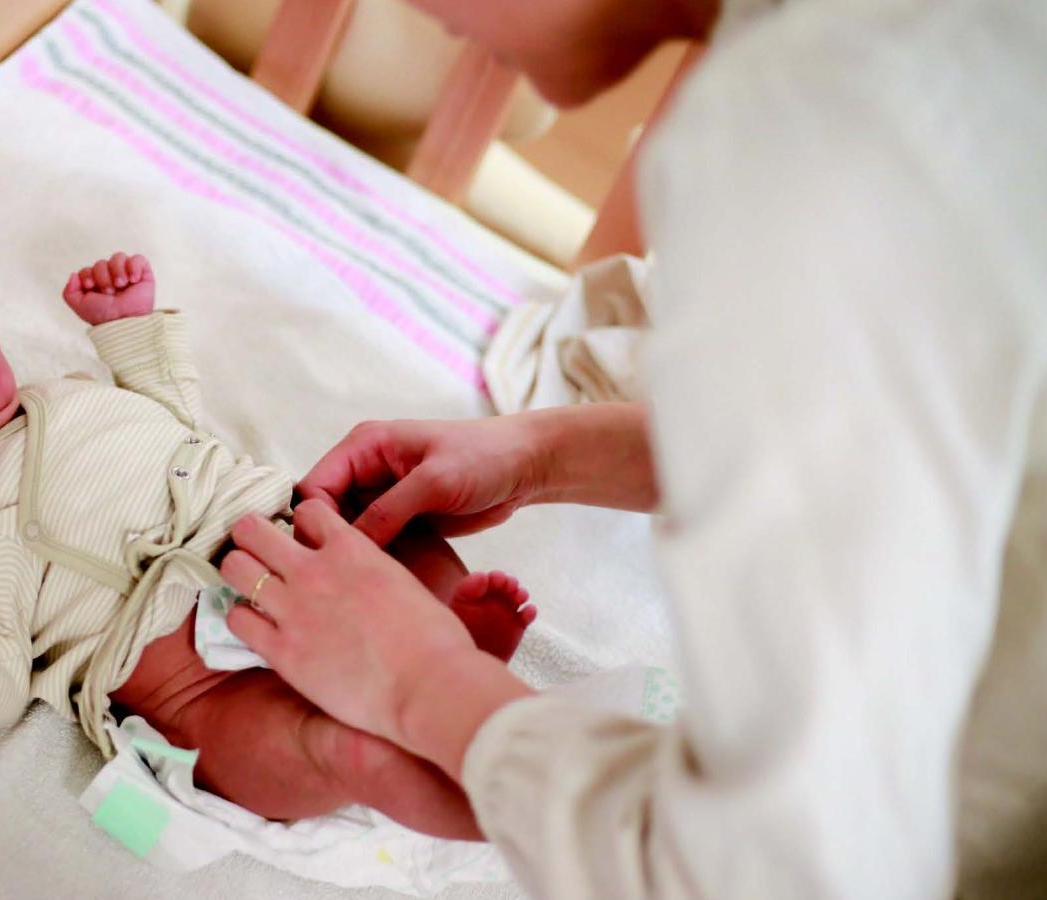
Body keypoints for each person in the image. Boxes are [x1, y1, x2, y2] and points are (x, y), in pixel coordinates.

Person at [218, 0, 1047, 896]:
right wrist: (548, 452)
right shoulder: (934, 57)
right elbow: (896, 432)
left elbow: (771, 874)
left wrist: (424, 684)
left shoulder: (813, 144)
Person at [0, 235, 539, 839]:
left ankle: (446, 624)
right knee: (222, 737)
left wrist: (128, 330)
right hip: (179, 661)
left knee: (372, 516)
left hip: (269, 534)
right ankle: (349, 757)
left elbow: (172, 418)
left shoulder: (64, 395)